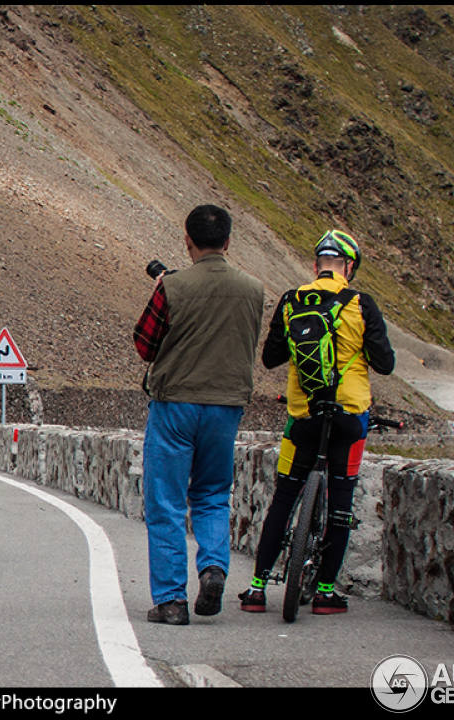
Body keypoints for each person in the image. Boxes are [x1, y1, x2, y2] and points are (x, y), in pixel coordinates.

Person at [239, 230, 395, 616]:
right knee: (341, 504)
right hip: (349, 416)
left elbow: (271, 358)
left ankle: (257, 589)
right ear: (349, 266)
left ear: (315, 266)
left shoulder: (293, 301)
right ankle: (325, 591)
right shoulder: (361, 304)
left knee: (284, 499)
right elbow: (385, 363)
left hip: (303, 416)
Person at [133, 204, 264, 626]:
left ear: (187, 241)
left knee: (167, 502)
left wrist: (163, 289)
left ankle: (171, 601)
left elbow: (144, 345)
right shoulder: (254, 289)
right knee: (211, 495)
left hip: (175, 406)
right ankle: (212, 568)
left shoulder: (172, 287)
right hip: (225, 407)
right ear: (227, 242)